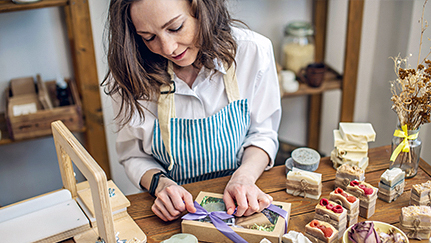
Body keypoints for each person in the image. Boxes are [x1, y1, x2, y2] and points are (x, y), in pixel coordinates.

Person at [103, 0, 281, 222]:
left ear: (201, 10)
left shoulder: (252, 51)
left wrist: (244, 178)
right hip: (173, 212)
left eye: (175, 28)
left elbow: (263, 134)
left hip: (242, 202)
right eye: (149, 37)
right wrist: (161, 185)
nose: (168, 48)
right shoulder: (130, 73)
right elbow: (133, 155)